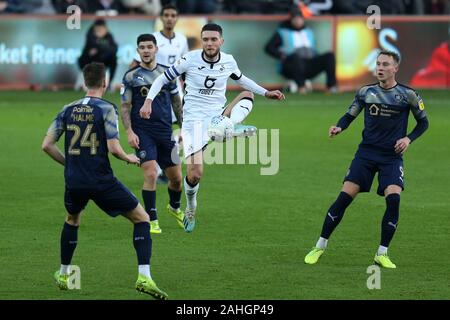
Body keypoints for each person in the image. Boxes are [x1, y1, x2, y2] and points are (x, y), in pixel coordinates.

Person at [140, 23, 285, 233]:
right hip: (192, 122)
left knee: (247, 95)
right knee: (195, 173)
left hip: (217, 115)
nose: (209, 43)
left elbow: (242, 80)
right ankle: (191, 207)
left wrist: (266, 92)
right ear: (202, 40)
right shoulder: (189, 59)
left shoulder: (228, 60)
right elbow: (163, 78)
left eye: (213, 39)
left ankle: (228, 125)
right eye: (206, 39)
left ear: (221, 41)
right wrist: (148, 101)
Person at [42, 62, 168, 300]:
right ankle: (144, 276)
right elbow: (113, 148)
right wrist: (130, 159)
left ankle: (63, 272)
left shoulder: (68, 108)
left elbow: (46, 145)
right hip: (101, 180)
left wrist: (70, 164)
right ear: (105, 82)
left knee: (72, 219)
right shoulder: (106, 109)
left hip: (74, 180)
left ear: (84, 80)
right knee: (142, 219)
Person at [304, 51, 429, 268]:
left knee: (394, 199)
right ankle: (319, 246)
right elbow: (350, 114)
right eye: (378, 64)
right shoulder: (366, 92)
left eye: (385, 64)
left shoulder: (408, 95)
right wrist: (339, 127)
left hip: (391, 157)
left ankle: (382, 253)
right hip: (366, 154)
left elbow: (423, 123)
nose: (380, 68)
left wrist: (408, 139)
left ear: (395, 68)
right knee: (344, 198)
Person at [121, 34, 184, 234]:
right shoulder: (130, 76)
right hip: (142, 132)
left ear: (156, 49)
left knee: (176, 179)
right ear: (138, 51)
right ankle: (151, 220)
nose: (146, 50)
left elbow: (176, 102)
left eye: (149, 46)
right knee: (150, 174)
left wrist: (183, 127)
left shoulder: (168, 73)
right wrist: (130, 132)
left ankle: (174, 207)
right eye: (142, 47)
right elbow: (125, 106)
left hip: (165, 132)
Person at [131, 4, 189, 184]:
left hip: (173, 91)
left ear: (177, 18)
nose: (170, 18)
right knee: (154, 127)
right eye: (166, 15)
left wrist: (187, 85)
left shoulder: (182, 39)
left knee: (177, 128)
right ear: (161, 18)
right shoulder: (153, 39)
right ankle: (154, 165)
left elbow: (185, 64)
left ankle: (167, 165)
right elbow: (135, 64)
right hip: (151, 93)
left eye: (173, 15)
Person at [264, 5, 336, 93]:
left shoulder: (308, 31)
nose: (298, 21)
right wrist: (282, 55)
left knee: (329, 56)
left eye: (300, 18)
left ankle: (331, 87)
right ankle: (301, 87)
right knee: (296, 58)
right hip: (290, 65)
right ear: (291, 19)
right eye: (295, 19)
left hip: (309, 64)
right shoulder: (282, 32)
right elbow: (268, 47)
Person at [77, 19, 118, 90]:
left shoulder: (109, 36)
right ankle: (87, 83)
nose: (100, 31)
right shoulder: (90, 35)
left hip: (103, 60)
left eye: (101, 29)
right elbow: (91, 47)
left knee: (114, 58)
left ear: (105, 28)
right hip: (88, 61)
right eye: (98, 29)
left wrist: (101, 48)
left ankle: (109, 84)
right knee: (89, 57)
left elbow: (114, 48)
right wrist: (103, 47)